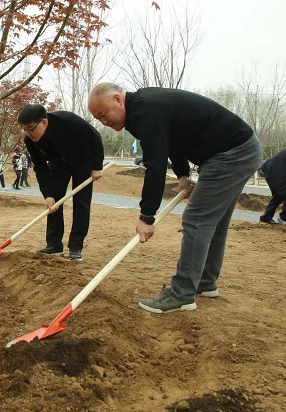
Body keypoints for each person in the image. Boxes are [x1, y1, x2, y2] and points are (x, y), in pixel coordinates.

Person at [88, 82, 262, 314]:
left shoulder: (145, 110)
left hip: (231, 153)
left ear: (118, 100)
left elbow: (155, 165)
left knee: (197, 219)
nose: (104, 122)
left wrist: (147, 216)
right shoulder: (144, 107)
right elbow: (171, 140)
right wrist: (182, 174)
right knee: (213, 221)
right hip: (238, 149)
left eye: (103, 114)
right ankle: (205, 281)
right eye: (98, 119)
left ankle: (182, 294)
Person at [18, 104, 105, 261]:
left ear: (43, 122)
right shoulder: (29, 140)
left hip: (83, 161)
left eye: (31, 129)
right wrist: (48, 194)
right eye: (24, 129)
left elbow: (95, 137)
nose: (28, 133)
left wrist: (97, 166)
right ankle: (54, 245)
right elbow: (40, 167)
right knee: (54, 203)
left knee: (81, 202)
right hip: (58, 163)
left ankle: (75, 246)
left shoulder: (68, 120)